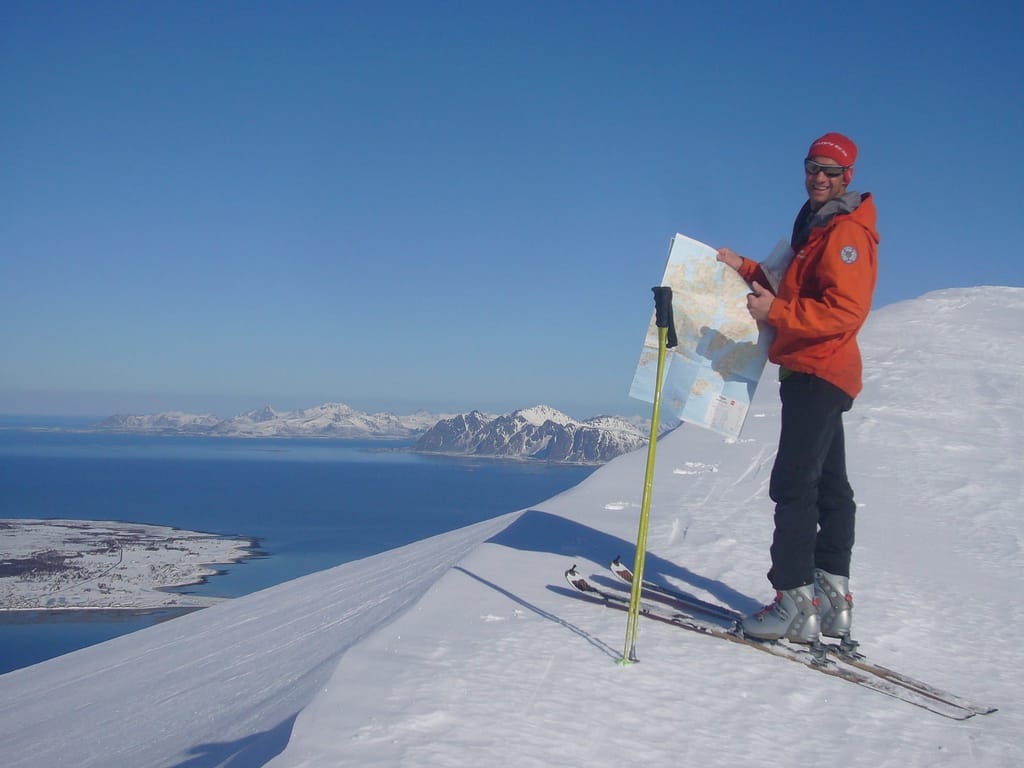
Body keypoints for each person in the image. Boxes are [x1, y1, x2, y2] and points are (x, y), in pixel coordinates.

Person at [716, 132, 879, 645]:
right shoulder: (815, 226)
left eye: (831, 171)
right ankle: (831, 600)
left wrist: (777, 313)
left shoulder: (845, 234)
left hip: (819, 369)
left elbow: (845, 312)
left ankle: (792, 601)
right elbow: (785, 281)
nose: (820, 178)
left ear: (848, 177)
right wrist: (743, 268)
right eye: (813, 167)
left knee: (793, 485)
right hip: (816, 372)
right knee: (830, 486)